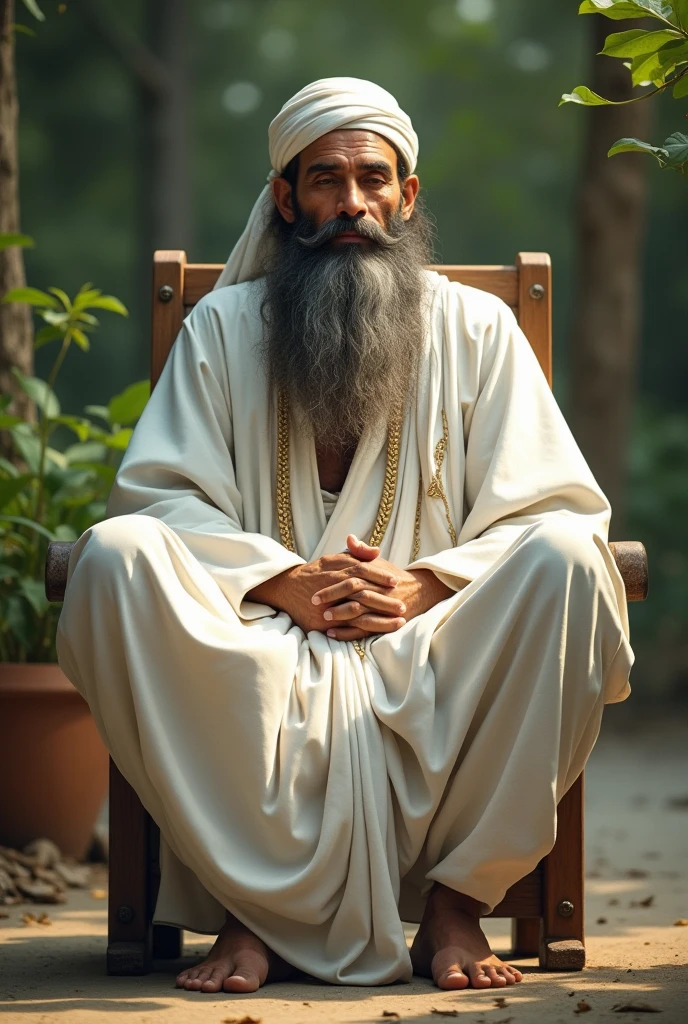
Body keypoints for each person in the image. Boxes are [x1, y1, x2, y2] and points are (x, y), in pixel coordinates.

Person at [57, 78, 633, 995]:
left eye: (374, 179)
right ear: (286, 199)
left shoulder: (478, 329)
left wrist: (428, 584)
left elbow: (555, 509)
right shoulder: (221, 329)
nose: (352, 203)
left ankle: (454, 906)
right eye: (325, 179)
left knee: (569, 561)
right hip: (255, 641)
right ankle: (255, 910)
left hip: (440, 639)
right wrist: (279, 580)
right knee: (116, 559)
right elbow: (160, 500)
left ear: (408, 197)